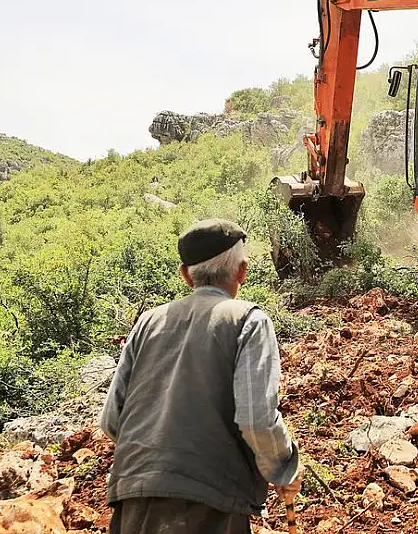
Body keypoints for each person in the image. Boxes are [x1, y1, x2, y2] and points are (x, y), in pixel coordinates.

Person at [100, 218, 301, 534]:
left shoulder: (147, 324)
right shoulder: (248, 322)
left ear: (185, 275)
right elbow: (256, 419)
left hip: (131, 499)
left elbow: (112, 420)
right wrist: (283, 468)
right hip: (208, 503)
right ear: (242, 271)